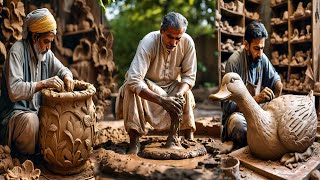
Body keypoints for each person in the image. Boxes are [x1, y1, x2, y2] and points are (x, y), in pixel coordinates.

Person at [116, 12, 197, 154]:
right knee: (129, 88)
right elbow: (134, 79)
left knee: (186, 93)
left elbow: (189, 78)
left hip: (172, 87)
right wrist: (161, 100)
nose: (173, 43)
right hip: (149, 86)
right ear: (161, 31)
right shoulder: (148, 41)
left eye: (178, 38)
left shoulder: (188, 43)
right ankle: (134, 142)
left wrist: (178, 94)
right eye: (170, 37)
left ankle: (187, 138)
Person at [0, 8, 74, 155]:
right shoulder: (17, 51)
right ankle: (25, 163)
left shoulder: (46, 54)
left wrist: (68, 77)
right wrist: (44, 84)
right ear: (34, 37)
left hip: (36, 112)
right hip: (14, 116)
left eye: (51, 42)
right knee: (31, 120)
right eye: (46, 42)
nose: (49, 47)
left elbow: (64, 70)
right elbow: (14, 91)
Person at [221, 21, 283, 153]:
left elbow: (276, 80)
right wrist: (256, 99)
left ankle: (256, 143)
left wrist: (278, 91)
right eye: (256, 48)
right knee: (239, 127)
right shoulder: (234, 62)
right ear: (246, 45)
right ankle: (244, 145)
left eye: (262, 48)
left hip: (258, 114)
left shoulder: (262, 59)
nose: (260, 53)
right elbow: (228, 107)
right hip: (238, 115)